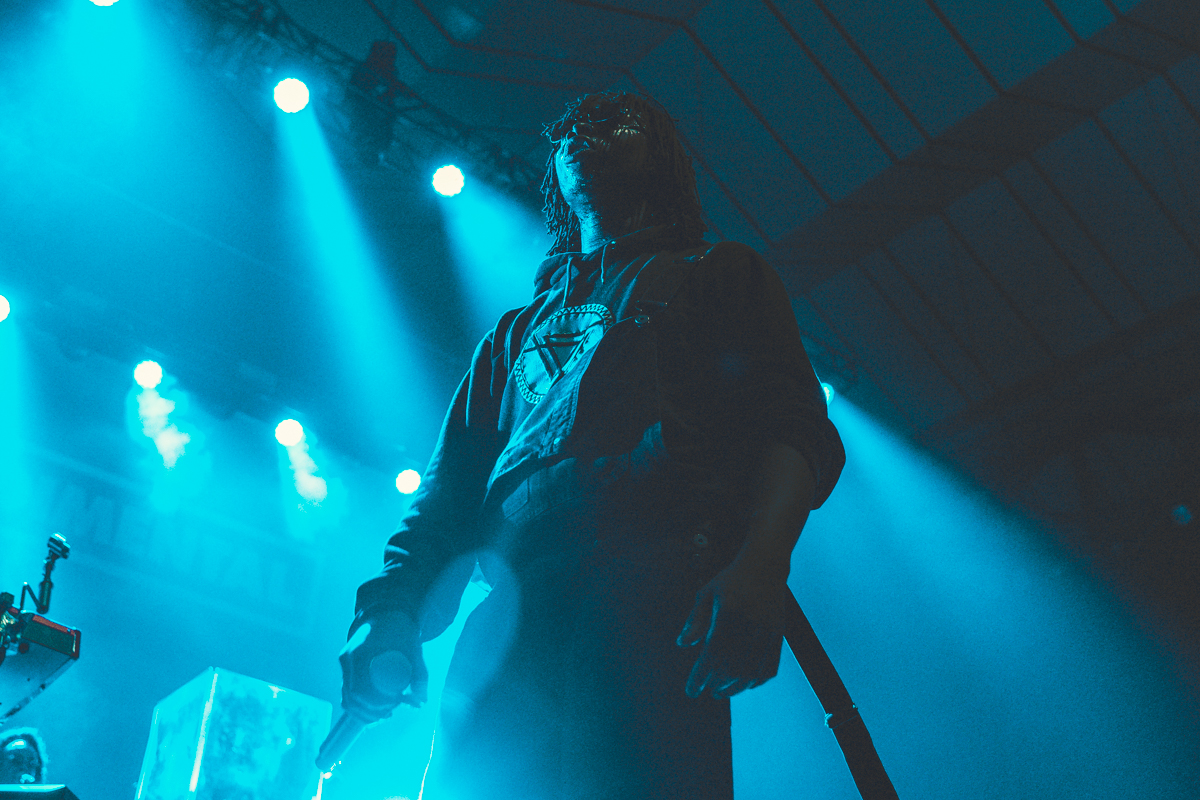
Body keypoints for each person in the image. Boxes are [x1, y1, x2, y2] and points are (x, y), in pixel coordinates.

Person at [337, 91, 845, 799]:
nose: (585, 130)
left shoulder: (719, 273)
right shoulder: (510, 337)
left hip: (649, 591)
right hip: (509, 616)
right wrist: (388, 613)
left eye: (616, 121)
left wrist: (761, 565)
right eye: (572, 125)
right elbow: (444, 500)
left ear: (663, 159)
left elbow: (793, 428)